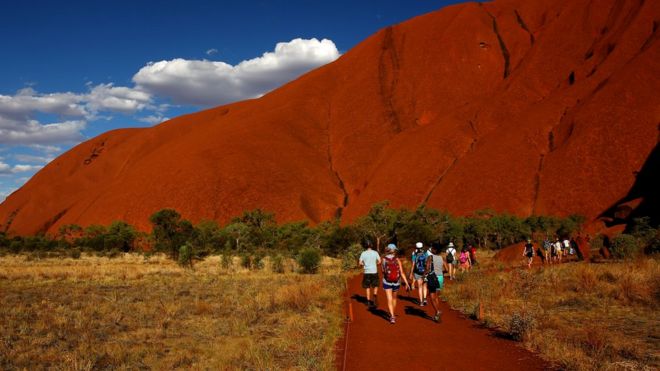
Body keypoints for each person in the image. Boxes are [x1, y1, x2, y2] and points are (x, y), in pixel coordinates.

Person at [382, 243, 410, 324]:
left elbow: (383, 271)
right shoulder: (397, 259)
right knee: (394, 298)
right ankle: (392, 314)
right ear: (394, 250)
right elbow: (401, 272)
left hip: (387, 281)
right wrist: (407, 283)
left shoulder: (384, 259)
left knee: (389, 299)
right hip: (396, 282)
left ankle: (392, 316)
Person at [425, 243, 448, 322]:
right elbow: (447, 270)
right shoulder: (442, 258)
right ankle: (436, 315)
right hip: (440, 278)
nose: (431, 249)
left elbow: (427, 269)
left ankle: (437, 311)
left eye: (432, 248)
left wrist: (424, 275)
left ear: (434, 250)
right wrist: (440, 272)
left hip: (432, 278)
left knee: (432, 297)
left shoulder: (430, 257)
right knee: (436, 296)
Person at [358, 240, 381, 308]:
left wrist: (364, 264)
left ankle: (368, 301)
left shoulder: (363, 253)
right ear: (371, 245)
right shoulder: (375, 252)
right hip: (374, 271)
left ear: (365, 246)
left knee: (367, 287)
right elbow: (379, 261)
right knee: (376, 285)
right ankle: (374, 296)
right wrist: (375, 264)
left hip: (367, 272)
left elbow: (360, 263)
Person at [409, 242, 429, 306]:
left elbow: (413, 264)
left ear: (416, 246)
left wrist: (411, 273)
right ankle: (425, 298)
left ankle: (421, 302)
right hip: (425, 272)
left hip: (417, 272)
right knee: (425, 285)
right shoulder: (425, 253)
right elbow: (428, 262)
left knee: (420, 286)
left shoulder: (414, 253)